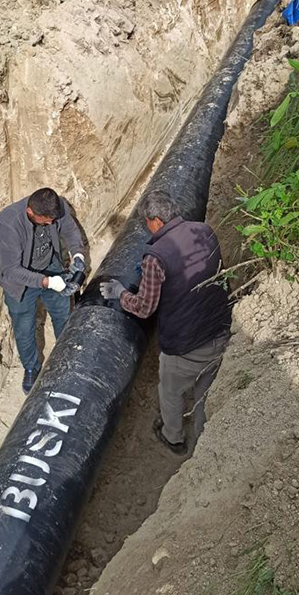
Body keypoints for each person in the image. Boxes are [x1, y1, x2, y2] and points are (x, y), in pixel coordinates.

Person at [100, 190, 231, 454]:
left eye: (147, 222)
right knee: (205, 394)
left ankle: (174, 438)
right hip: (220, 331)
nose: (146, 227)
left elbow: (144, 308)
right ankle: (203, 447)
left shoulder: (156, 257)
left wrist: (120, 293)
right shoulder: (204, 230)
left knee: (171, 392)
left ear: (157, 221)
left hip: (186, 344)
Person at [0, 187, 86, 394]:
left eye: (53, 220)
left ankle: (65, 355)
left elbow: (69, 229)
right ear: (30, 212)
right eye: (46, 221)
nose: (51, 224)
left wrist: (78, 254)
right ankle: (31, 368)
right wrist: (48, 282)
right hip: (19, 282)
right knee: (24, 328)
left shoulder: (55, 206)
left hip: (50, 266)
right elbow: (11, 270)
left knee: (63, 313)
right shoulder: (9, 224)